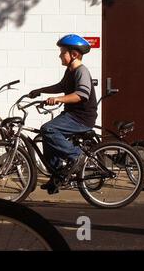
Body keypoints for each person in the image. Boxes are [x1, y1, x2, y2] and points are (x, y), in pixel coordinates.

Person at [28, 34, 97, 195]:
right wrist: (40, 91)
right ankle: (58, 174)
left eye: (62, 52)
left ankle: (76, 155)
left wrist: (58, 99)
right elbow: (61, 85)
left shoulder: (82, 71)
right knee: (46, 136)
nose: (60, 55)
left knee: (48, 129)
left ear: (74, 54)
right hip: (72, 115)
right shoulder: (70, 71)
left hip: (82, 118)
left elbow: (81, 95)